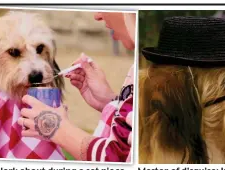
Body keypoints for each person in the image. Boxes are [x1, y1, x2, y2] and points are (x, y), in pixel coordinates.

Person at [17, 12, 136, 162]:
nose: (97, 15)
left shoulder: (148, 74)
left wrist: (57, 129)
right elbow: (131, 131)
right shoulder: (138, 67)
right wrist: (109, 101)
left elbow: (121, 158)